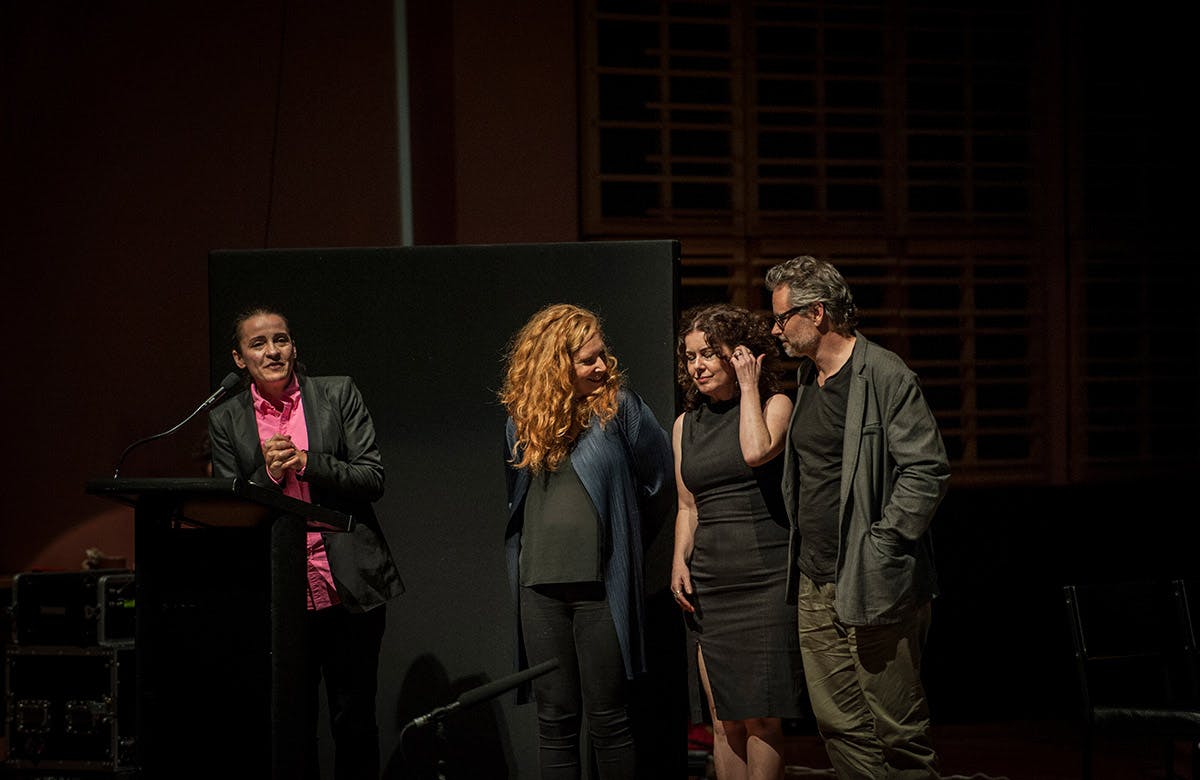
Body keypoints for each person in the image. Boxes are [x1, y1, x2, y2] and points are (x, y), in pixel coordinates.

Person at [764, 257, 950, 779]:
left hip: (873, 580)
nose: (776, 330)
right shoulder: (807, 378)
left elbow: (926, 469)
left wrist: (883, 544)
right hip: (815, 580)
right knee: (839, 725)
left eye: (782, 318)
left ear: (817, 313)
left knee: (897, 730)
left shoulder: (884, 374)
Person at [208, 306, 404, 780]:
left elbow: (371, 477)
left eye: (281, 339)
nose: (272, 351)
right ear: (239, 358)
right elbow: (230, 509)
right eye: (258, 344)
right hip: (278, 592)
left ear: (294, 346)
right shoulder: (225, 418)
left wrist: (305, 461)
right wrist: (269, 474)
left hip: (347, 583)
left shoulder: (337, 393)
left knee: (354, 720)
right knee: (290, 724)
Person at [500, 303, 673, 779]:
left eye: (602, 355)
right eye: (587, 359)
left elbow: (660, 482)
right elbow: (517, 500)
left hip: (600, 589)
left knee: (609, 720)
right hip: (539, 589)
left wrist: (626, 539)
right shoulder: (521, 422)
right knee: (554, 721)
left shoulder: (619, 410)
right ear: (556, 364)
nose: (602, 366)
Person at [670, 304, 804, 780]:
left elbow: (755, 450)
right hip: (711, 582)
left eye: (709, 353)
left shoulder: (775, 405)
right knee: (724, 719)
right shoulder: (685, 425)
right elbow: (687, 506)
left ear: (741, 354)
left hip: (764, 579)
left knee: (761, 717)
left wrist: (749, 387)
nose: (698, 366)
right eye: (690, 357)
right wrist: (678, 561)